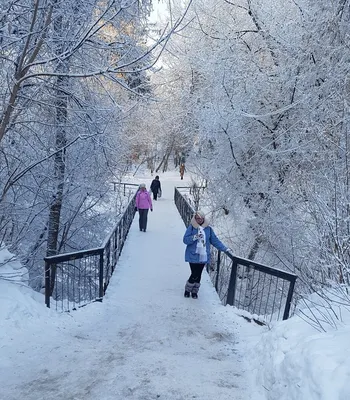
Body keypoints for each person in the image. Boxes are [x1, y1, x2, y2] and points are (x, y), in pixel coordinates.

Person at [183, 210, 230, 299]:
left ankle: (194, 291)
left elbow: (215, 241)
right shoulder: (192, 228)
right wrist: (195, 237)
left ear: (203, 219)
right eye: (197, 218)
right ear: (194, 218)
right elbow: (185, 240)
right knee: (194, 273)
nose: (198, 220)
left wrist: (224, 248)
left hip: (203, 255)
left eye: (200, 219)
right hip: (193, 254)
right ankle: (187, 290)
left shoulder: (208, 229)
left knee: (199, 274)